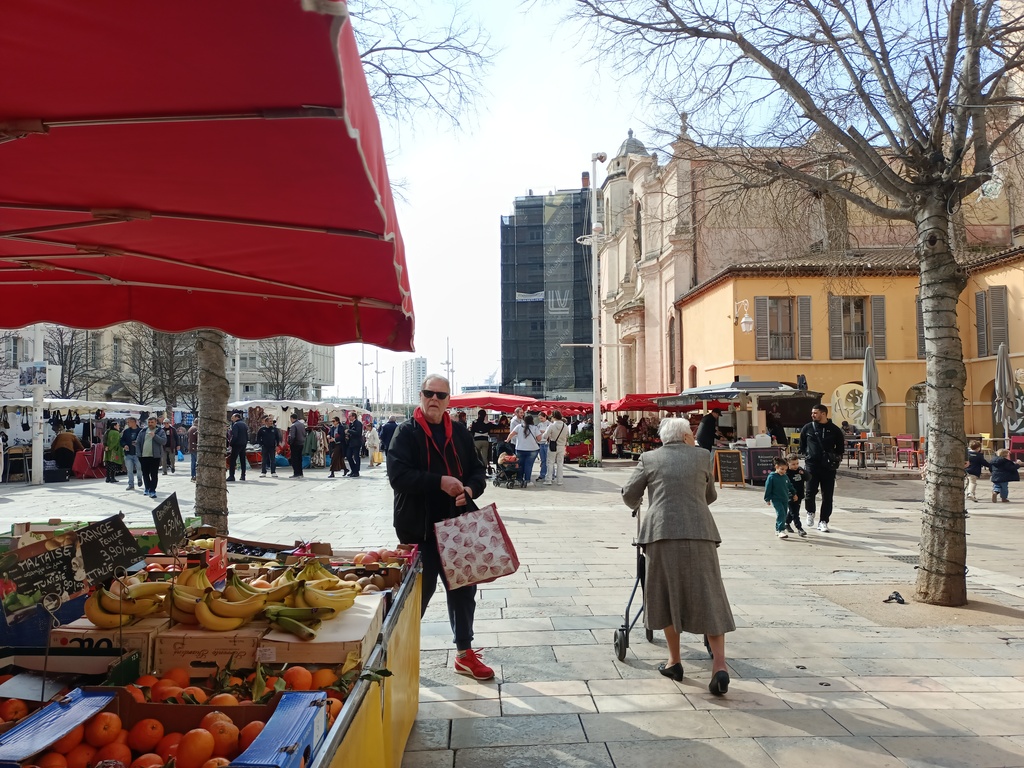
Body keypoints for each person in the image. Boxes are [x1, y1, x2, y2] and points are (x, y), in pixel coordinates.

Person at [387, 374, 491, 680]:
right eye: (428, 393)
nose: (434, 399)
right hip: (418, 528)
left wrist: (469, 490)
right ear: (420, 396)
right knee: (418, 592)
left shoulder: (459, 432)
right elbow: (398, 477)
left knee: (463, 589)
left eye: (440, 395)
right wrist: (439, 482)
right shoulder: (406, 432)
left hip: (457, 526)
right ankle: (395, 653)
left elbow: (478, 472)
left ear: (448, 401)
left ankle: (464, 654)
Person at [620, 418, 735, 696]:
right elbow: (709, 495)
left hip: (661, 533)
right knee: (709, 593)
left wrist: (642, 502)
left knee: (667, 594)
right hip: (701, 532)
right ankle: (719, 666)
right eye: (692, 435)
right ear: (685, 437)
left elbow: (629, 494)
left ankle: (674, 661)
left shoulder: (649, 458)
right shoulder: (702, 456)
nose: (694, 439)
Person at [799, 404, 845, 533]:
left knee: (827, 495)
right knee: (809, 492)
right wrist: (808, 455)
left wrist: (833, 458)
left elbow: (840, 448)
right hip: (812, 466)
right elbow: (802, 445)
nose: (812, 415)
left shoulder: (835, 430)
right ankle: (810, 512)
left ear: (823, 414)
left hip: (828, 468)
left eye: (815, 413)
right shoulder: (807, 428)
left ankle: (823, 521)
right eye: (812, 413)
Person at [764, 457, 797, 538]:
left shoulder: (785, 477)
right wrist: (767, 498)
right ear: (776, 467)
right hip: (776, 499)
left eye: (785, 470)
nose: (784, 471)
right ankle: (781, 530)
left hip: (785, 498)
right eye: (782, 469)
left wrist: (794, 493)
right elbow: (768, 488)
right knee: (781, 513)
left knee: (783, 514)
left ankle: (777, 529)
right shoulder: (772, 477)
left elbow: (789, 486)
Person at [507, 414, 542, 487]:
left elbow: (511, 434)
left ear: (524, 420)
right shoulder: (535, 428)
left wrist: (507, 440)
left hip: (520, 449)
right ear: (532, 420)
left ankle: (519, 479)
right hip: (532, 449)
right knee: (529, 465)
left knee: (520, 465)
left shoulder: (519, 426)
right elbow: (539, 439)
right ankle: (527, 480)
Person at [136, 416, 166, 499]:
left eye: (152, 422)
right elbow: (138, 442)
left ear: (156, 422)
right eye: (149, 422)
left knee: (154, 474)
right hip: (144, 456)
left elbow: (164, 441)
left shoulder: (160, 431)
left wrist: (154, 436)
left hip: (155, 457)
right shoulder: (143, 431)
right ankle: (147, 488)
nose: (150, 424)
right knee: (145, 474)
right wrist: (139, 453)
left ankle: (152, 490)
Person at [543, 409, 569, 486]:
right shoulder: (565, 426)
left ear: (554, 417)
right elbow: (567, 436)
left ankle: (549, 480)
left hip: (553, 446)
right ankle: (560, 481)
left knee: (550, 463)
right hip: (562, 446)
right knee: (560, 464)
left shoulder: (551, 426)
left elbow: (545, 436)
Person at [785, 454, 808, 536]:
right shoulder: (786, 473)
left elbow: (808, 478)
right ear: (788, 464)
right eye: (793, 464)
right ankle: (799, 528)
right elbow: (787, 486)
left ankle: (786, 522)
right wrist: (792, 495)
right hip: (791, 496)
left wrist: (804, 473)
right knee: (795, 513)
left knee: (794, 511)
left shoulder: (799, 470)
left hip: (799, 494)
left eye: (797, 463)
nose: (796, 466)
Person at [120, 417, 142, 490]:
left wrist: (138, 443)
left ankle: (139, 479)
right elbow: (122, 440)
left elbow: (144, 441)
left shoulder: (140, 431)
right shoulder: (126, 431)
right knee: (129, 470)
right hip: (128, 453)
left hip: (138, 454)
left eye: (128, 422)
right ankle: (131, 484)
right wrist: (124, 445)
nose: (127, 424)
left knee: (139, 468)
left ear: (133, 422)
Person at [470, 409, 493, 476]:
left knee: (476, 456)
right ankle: (484, 471)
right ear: (485, 415)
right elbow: (494, 426)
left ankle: (476, 471)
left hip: (477, 441)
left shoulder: (474, 422)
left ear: (478, 415)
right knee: (484, 457)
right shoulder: (488, 423)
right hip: (485, 440)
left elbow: (472, 431)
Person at [226, 411, 249, 482]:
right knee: (242, 460)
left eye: (233, 417)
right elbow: (247, 435)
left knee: (233, 460)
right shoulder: (244, 424)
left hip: (236, 444)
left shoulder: (236, 425)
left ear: (237, 417)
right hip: (243, 444)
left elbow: (234, 435)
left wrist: (231, 444)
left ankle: (231, 476)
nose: (232, 419)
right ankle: (243, 475)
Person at [287, 412, 306, 478]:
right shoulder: (302, 425)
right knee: (299, 458)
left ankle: (296, 473)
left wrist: (290, 442)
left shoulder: (293, 425)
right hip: (301, 443)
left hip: (295, 444)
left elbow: (292, 436)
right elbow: (304, 434)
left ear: (291, 418)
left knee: (294, 459)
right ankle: (300, 473)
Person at [345, 412, 363, 478]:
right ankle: (353, 470)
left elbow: (358, 433)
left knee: (356, 457)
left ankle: (356, 471)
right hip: (350, 443)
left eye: (350, 416)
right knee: (348, 456)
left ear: (354, 417)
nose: (349, 417)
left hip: (356, 443)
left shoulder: (358, 423)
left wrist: (349, 431)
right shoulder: (351, 424)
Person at [535, 412, 550, 480]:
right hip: (541, 443)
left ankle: (551, 474)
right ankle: (542, 474)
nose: (541, 420)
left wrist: (543, 431)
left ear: (545, 417)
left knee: (548, 460)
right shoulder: (539, 425)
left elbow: (550, 432)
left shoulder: (549, 424)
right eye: (540, 418)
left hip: (547, 442)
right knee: (543, 460)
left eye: (542, 418)